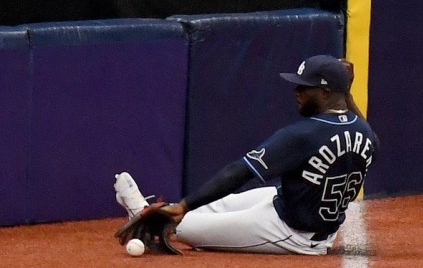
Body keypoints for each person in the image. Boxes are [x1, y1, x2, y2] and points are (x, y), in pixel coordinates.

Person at [113, 55, 378, 255]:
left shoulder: (304, 134)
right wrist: (346, 92)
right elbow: (366, 136)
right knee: (213, 205)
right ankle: (168, 209)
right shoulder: (365, 132)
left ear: (325, 92)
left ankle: (145, 215)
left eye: (304, 87)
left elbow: (239, 172)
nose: (296, 91)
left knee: (185, 227)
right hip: (290, 204)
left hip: (292, 233)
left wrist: (183, 206)